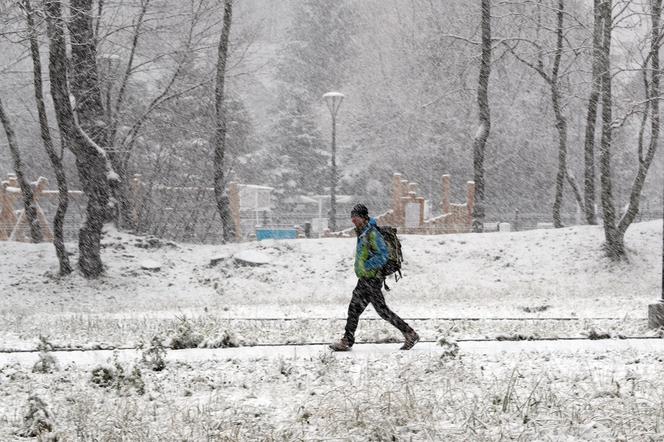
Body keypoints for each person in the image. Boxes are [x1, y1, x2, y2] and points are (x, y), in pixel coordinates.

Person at [329, 203, 419, 351]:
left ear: (364, 217)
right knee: (356, 309)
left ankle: (410, 333)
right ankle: (347, 339)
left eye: (356, 217)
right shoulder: (363, 233)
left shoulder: (372, 233)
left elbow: (383, 256)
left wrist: (366, 266)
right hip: (365, 279)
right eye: (352, 218)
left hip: (372, 280)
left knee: (379, 310)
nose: (353, 220)